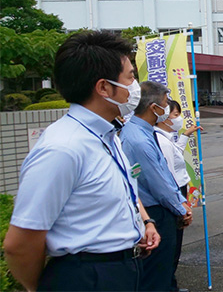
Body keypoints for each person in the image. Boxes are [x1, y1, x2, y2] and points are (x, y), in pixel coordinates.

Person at [4, 31, 160, 292]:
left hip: (122, 269)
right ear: (103, 87)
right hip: (87, 277)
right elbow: (20, 243)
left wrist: (143, 224)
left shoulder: (108, 136)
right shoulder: (63, 148)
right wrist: (40, 287)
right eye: (130, 77)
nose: (136, 87)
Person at [120, 81, 193, 292]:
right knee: (157, 272)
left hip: (159, 210)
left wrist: (180, 202)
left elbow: (164, 173)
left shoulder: (141, 132)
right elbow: (158, 183)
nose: (168, 109)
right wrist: (181, 209)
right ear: (154, 108)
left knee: (164, 267)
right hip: (157, 213)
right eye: (165, 104)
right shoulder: (138, 140)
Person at [155, 100, 202, 292]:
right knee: (171, 246)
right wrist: (181, 204)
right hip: (174, 194)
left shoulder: (167, 138)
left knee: (174, 245)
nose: (178, 118)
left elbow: (177, 154)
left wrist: (185, 135)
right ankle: (168, 285)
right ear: (164, 117)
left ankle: (170, 283)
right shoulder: (160, 139)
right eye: (175, 115)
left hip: (178, 191)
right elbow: (169, 176)